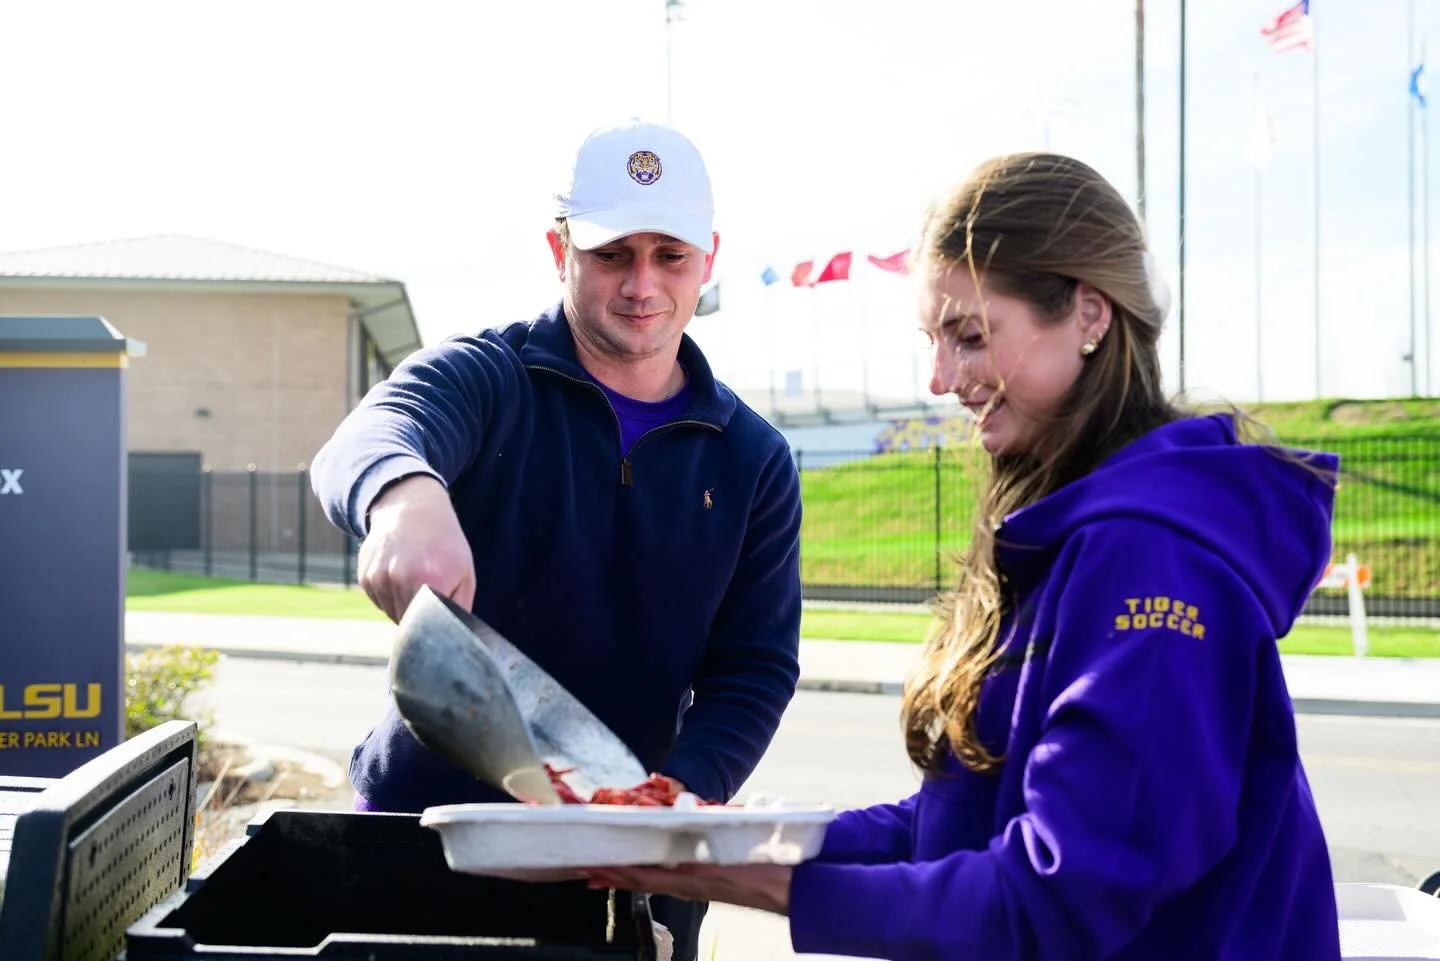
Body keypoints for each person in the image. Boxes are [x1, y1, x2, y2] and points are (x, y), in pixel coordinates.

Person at [583, 152, 1345, 961]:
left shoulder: (1152, 558)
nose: (943, 378)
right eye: (934, 339)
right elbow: (960, 821)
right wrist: (735, 838)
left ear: (1089, 313)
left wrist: (743, 879)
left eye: (971, 337)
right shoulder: (1069, 531)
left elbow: (1055, 899)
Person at [309, 117, 804, 961]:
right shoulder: (490, 377)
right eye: (612, 253)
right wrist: (401, 495)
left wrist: (669, 803)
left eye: (670, 255)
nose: (642, 284)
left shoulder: (753, 458)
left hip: (630, 857)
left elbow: (754, 667)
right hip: (428, 834)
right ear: (560, 247)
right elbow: (373, 431)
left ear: (709, 258)